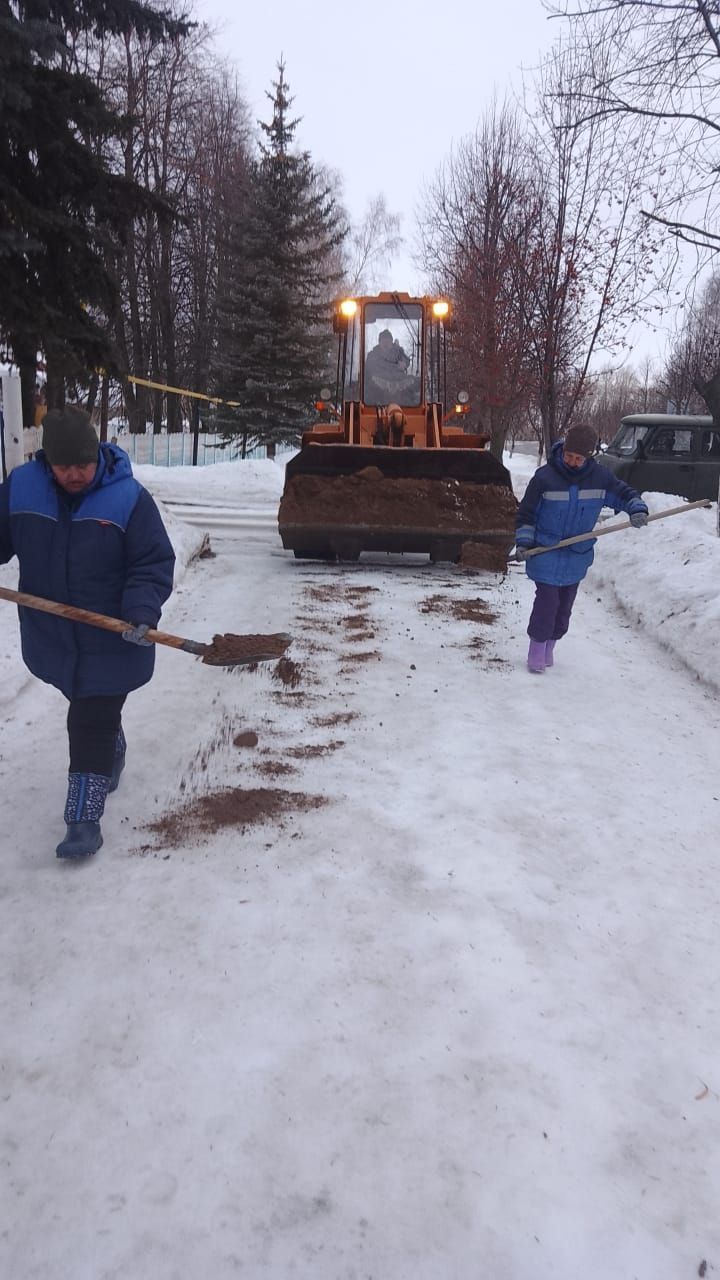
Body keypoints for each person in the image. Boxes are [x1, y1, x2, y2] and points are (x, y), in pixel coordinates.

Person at [0, 406, 175, 858]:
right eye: (64, 466)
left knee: (88, 721)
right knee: (85, 702)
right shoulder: (21, 489)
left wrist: (140, 612)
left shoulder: (128, 499)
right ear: (46, 460)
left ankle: (82, 817)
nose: (75, 474)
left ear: (98, 454)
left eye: (84, 464)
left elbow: (151, 563)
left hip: (113, 635)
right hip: (54, 634)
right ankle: (112, 746)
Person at [514, 423, 649, 674]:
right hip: (546, 551)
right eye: (569, 456)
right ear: (563, 450)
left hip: (577, 555)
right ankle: (536, 650)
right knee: (547, 602)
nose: (573, 462)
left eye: (578, 458)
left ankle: (550, 646)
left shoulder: (600, 478)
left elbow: (622, 493)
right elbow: (526, 514)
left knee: (564, 607)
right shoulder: (545, 477)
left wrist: (636, 507)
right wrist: (523, 542)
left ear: (589, 457)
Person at [364, 328, 411, 403]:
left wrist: (404, 363)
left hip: (398, 387)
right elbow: (366, 372)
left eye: (388, 341)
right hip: (377, 389)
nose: (385, 344)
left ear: (391, 343)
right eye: (383, 341)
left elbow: (406, 361)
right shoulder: (372, 355)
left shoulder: (398, 352)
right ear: (379, 342)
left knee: (414, 386)